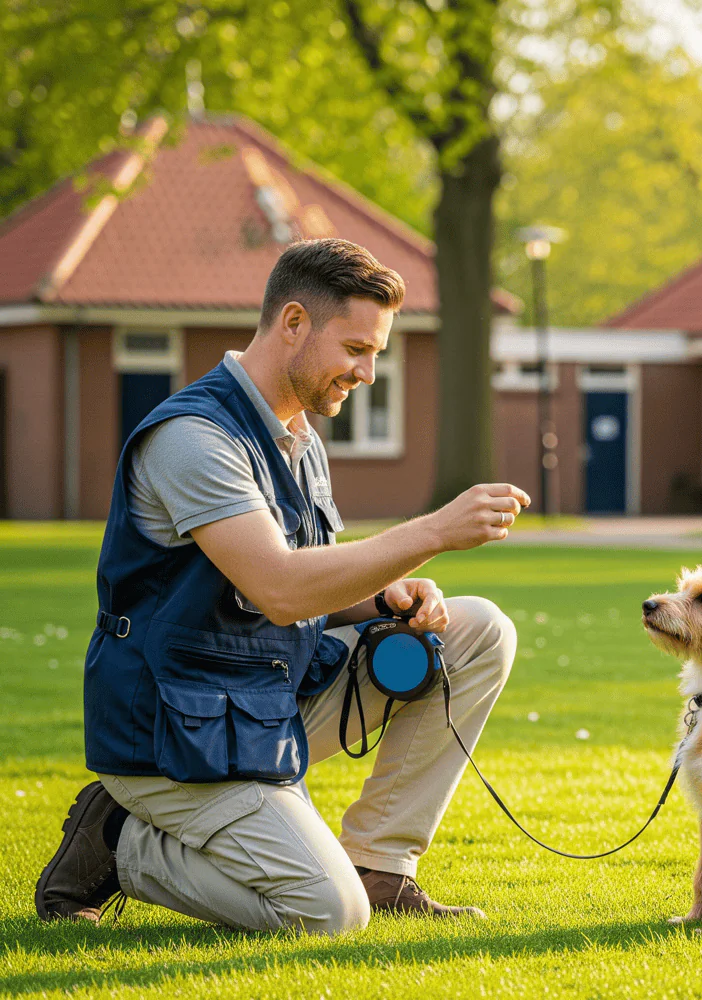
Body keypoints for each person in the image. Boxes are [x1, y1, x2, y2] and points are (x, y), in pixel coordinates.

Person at [35, 238, 530, 935]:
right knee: (327, 915)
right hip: (172, 738)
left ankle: (380, 867)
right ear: (294, 323)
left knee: (478, 629)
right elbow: (279, 589)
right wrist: (432, 531)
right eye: (356, 349)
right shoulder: (193, 437)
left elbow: (309, 585)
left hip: (260, 704)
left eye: (377, 355)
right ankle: (122, 843)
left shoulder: (298, 436)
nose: (367, 372)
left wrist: (386, 596)